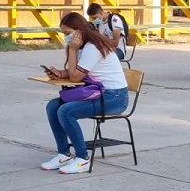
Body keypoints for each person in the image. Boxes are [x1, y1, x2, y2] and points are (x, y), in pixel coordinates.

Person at [42, 12, 131, 174]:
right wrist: (60, 74)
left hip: (115, 97)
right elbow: (75, 71)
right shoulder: (84, 46)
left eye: (68, 33)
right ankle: (64, 154)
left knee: (65, 111)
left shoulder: (92, 48)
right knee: (52, 106)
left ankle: (83, 159)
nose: (66, 37)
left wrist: (73, 49)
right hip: (100, 93)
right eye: (64, 34)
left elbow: (76, 76)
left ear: (79, 31)